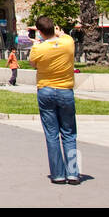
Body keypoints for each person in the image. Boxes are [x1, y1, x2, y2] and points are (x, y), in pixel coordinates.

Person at [30, 16, 79, 184]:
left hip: (45, 90)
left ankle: (58, 174)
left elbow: (33, 64)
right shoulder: (68, 43)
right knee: (69, 133)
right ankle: (73, 173)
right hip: (65, 90)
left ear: (40, 31)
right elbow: (62, 35)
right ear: (54, 28)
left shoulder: (38, 48)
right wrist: (58, 33)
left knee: (52, 134)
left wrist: (38, 44)